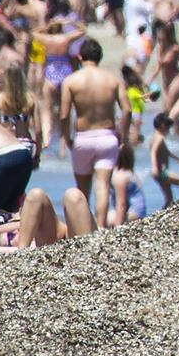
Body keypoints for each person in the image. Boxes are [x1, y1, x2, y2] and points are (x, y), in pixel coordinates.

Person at [59, 36, 130, 226]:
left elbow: (64, 115)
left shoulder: (71, 81)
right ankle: (100, 230)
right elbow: (127, 109)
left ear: (81, 57)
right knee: (103, 187)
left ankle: (83, 230)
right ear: (100, 57)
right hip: (107, 137)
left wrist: (67, 138)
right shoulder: (113, 80)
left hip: (83, 138)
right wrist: (123, 135)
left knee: (82, 192)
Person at [106, 138, 148, 227]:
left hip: (133, 213)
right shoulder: (129, 173)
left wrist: (118, 227)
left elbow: (121, 204)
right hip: (140, 213)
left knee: (105, 217)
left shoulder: (119, 177)